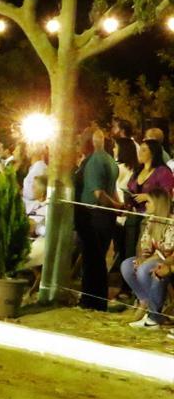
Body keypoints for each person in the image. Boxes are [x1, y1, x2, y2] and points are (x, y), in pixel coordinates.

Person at [73, 129, 119, 311]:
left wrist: (114, 205)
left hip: (93, 214)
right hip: (105, 215)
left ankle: (90, 301)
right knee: (97, 259)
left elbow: (98, 193)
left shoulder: (94, 161)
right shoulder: (109, 160)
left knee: (92, 260)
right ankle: (97, 300)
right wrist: (117, 205)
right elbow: (111, 189)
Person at [119, 189, 173, 329]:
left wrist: (146, 261)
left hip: (168, 261)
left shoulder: (171, 222)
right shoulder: (152, 220)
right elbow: (146, 244)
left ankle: (154, 316)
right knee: (126, 265)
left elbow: (167, 250)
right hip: (156, 258)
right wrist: (142, 257)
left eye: (148, 202)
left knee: (144, 270)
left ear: (158, 204)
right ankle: (146, 300)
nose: (146, 205)